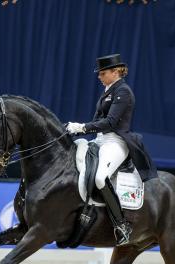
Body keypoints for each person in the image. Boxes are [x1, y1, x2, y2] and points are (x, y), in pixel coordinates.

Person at [66, 53, 157, 246]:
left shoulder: (123, 92)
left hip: (117, 142)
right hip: (100, 140)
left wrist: (82, 127)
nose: (99, 77)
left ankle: (121, 224)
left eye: (102, 73)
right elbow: (98, 120)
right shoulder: (108, 90)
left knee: (100, 177)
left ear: (115, 72)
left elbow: (110, 122)